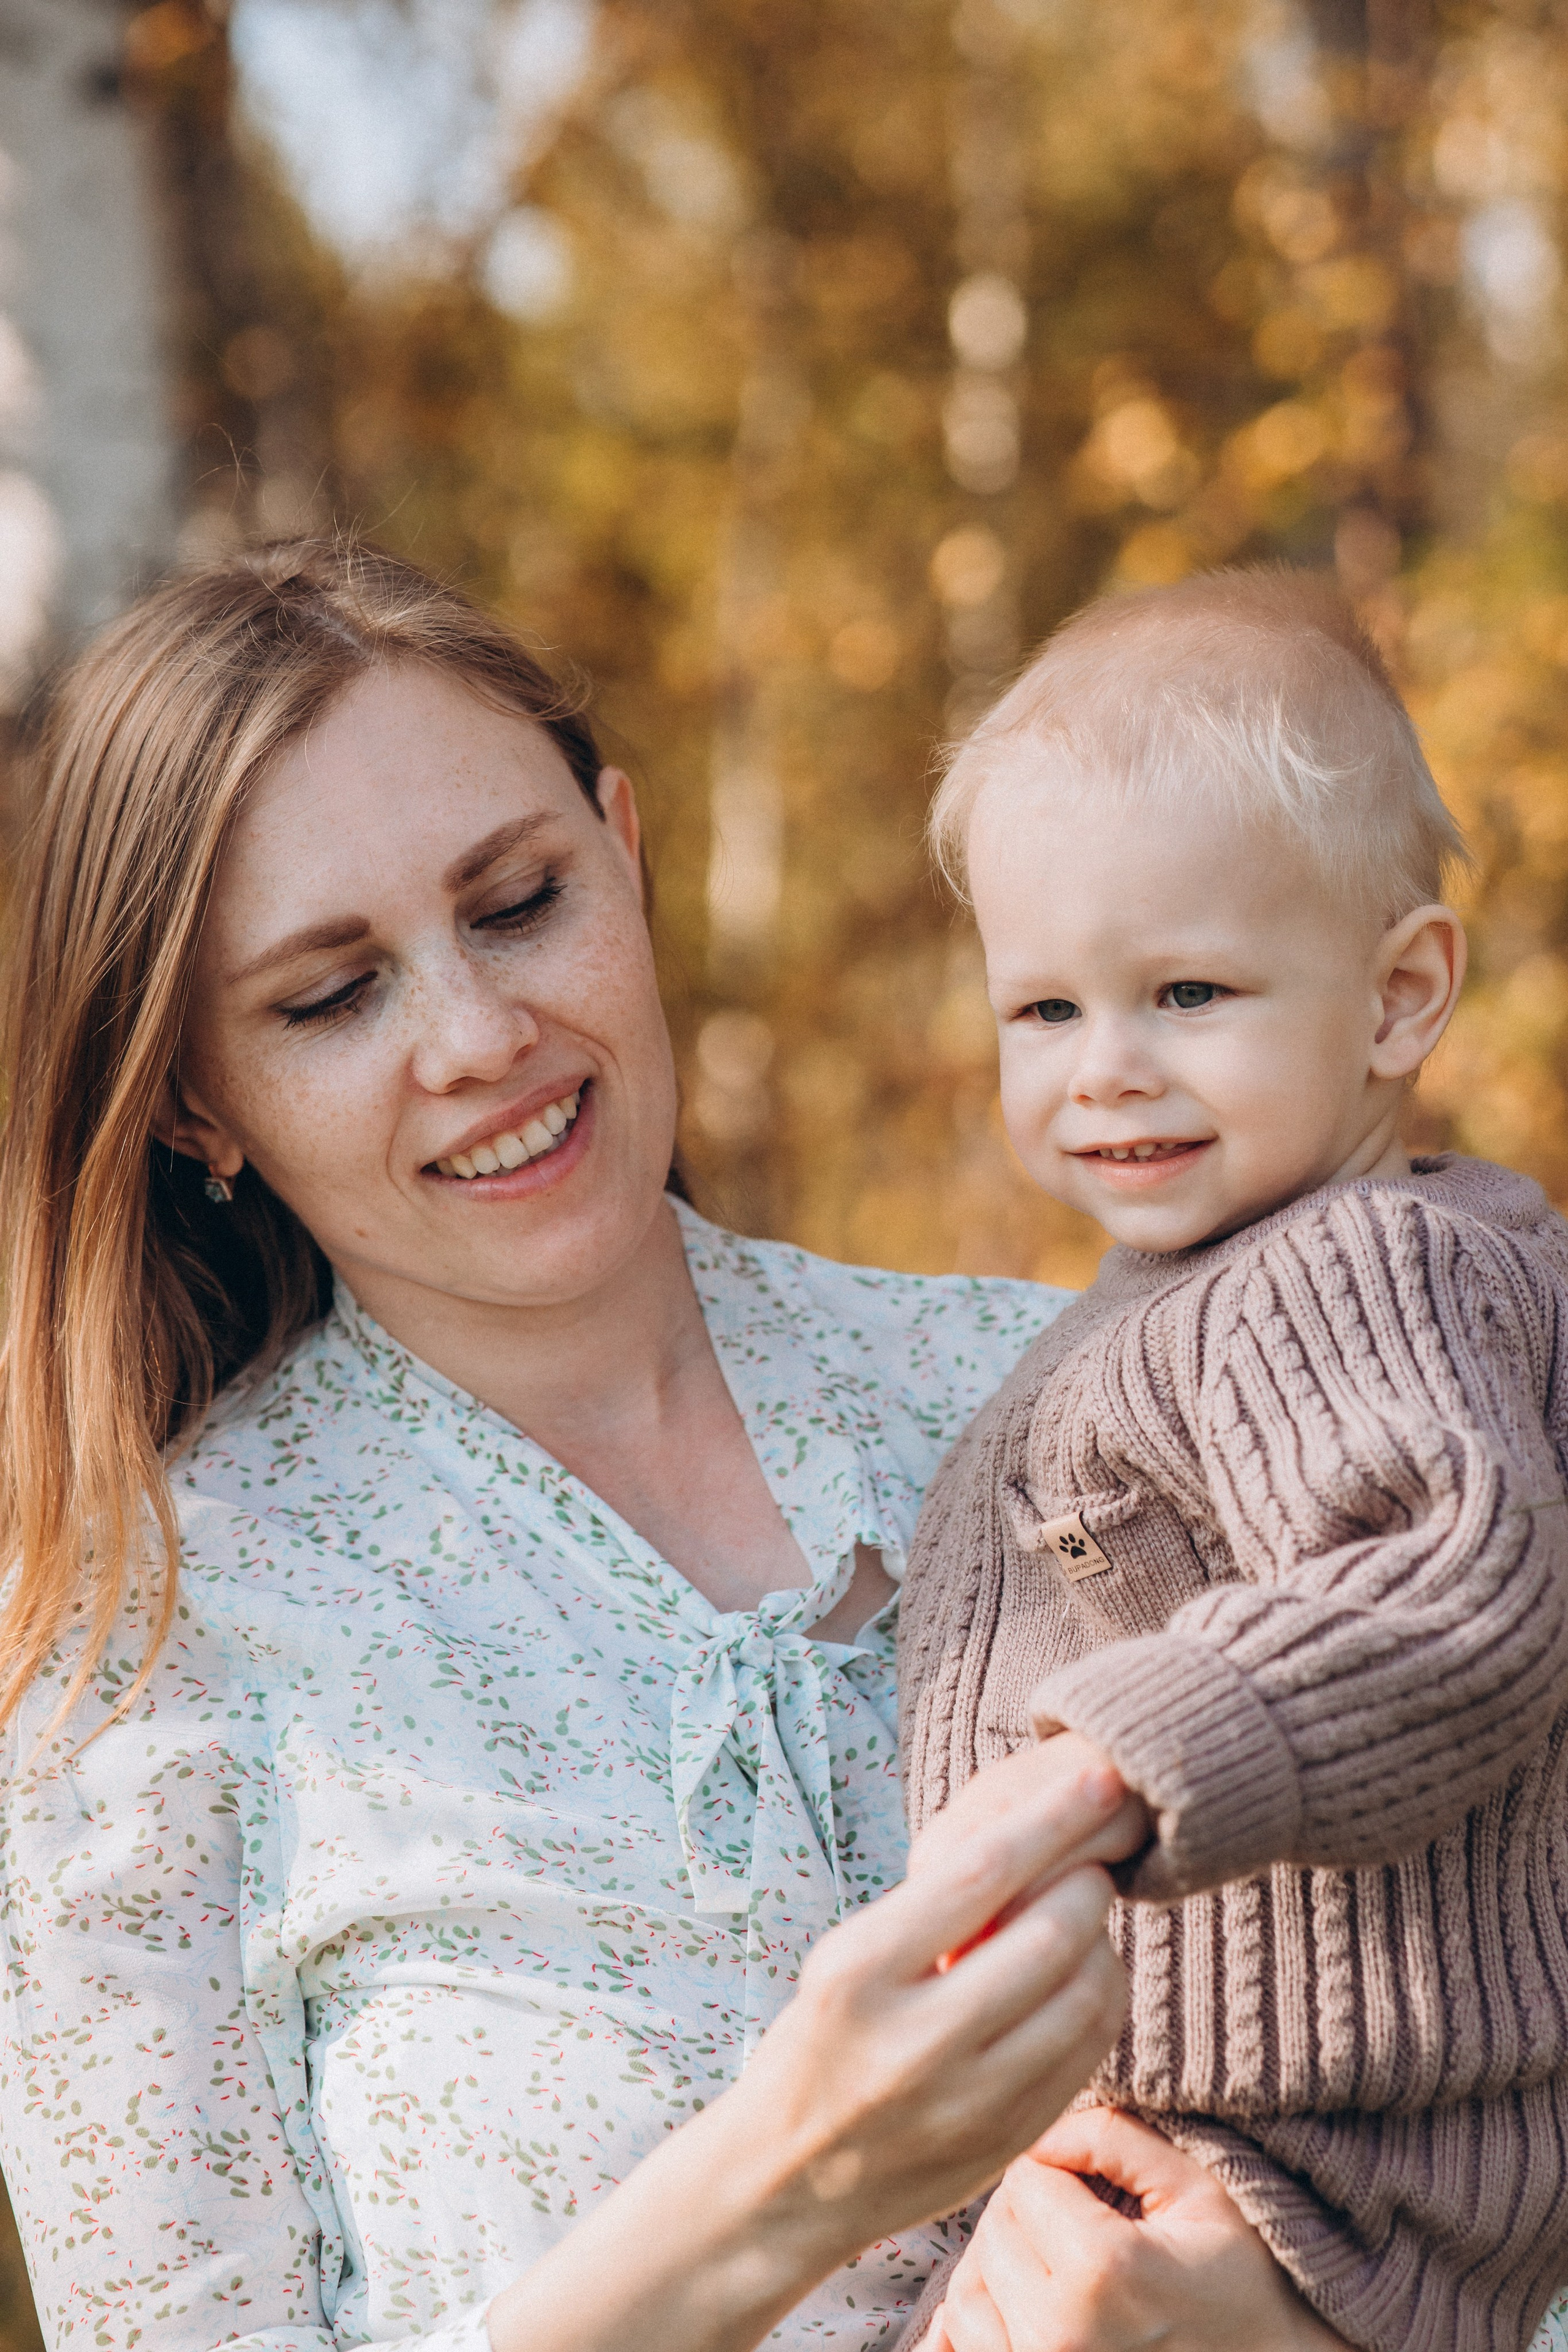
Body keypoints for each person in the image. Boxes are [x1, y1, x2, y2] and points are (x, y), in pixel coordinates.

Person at [0, 538, 1340, 2352]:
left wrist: (1289, 2327)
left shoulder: (1091, 1393)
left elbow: (1488, 2106)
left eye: (520, 902)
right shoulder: (130, 1652)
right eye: (329, 996)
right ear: (190, 1099)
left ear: (623, 855)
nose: (479, 1035)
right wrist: (791, 2182)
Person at [896, 566, 1568, 2352]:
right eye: (1046, 1012)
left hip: (1330, 2175)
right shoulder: (1169, 1300)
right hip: (1177, 2152)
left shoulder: (1362, 1263)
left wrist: (1125, 1758)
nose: (1105, 1072)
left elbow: (1459, 1584)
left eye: (1186, 991)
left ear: (1399, 997)